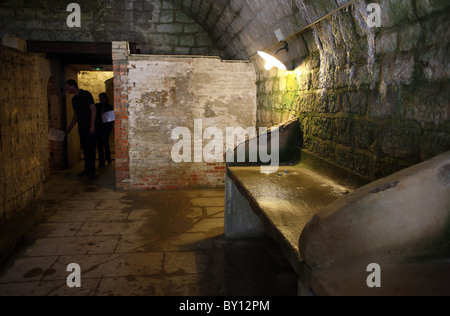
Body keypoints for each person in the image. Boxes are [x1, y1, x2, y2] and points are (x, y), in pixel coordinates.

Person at [64, 79, 97, 180]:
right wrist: (69, 128)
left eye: (67, 87)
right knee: (85, 149)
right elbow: (75, 116)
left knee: (91, 149)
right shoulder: (74, 100)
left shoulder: (86, 95)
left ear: (72, 86)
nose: (66, 89)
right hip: (81, 127)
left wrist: (92, 125)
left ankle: (92, 171)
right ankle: (87, 169)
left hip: (88, 126)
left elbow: (93, 109)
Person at [96, 92, 114, 167]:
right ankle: (101, 161)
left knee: (106, 143)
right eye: (100, 98)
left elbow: (111, 118)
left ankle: (108, 159)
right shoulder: (98, 106)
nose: (101, 100)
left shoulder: (109, 106)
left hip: (106, 127)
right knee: (100, 145)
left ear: (106, 99)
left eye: (102, 98)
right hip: (99, 127)